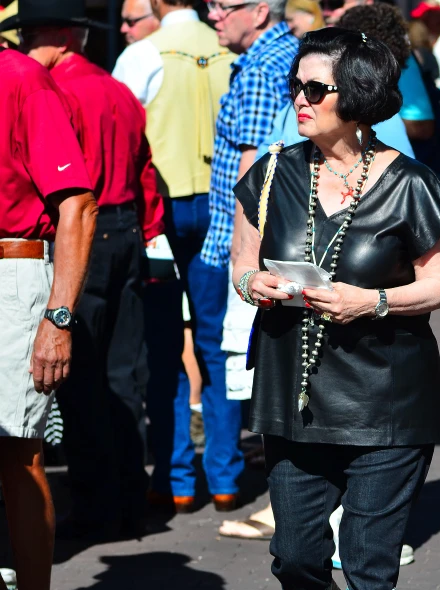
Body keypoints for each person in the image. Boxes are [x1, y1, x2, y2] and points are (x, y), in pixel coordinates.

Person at [233, 28, 440, 590]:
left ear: (356, 98)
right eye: (296, 87)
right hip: (294, 394)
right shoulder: (271, 174)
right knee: (295, 556)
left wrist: (376, 300)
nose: (297, 102)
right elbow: (243, 263)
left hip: (390, 399)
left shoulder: (411, 182)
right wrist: (254, 284)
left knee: (367, 558)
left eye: (314, 90)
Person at [9, 0, 165, 539]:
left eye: (29, 36)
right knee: (123, 372)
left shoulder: (54, 90)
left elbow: (68, 192)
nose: (24, 47)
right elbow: (146, 168)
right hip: (126, 229)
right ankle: (129, 495)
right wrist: (144, 230)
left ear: (55, 37)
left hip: (84, 235)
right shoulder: (117, 90)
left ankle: (98, 504)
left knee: (78, 378)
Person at [114, 0, 236, 514]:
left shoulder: (143, 54)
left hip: (161, 210)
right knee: (216, 342)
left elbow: (122, 133)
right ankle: (225, 476)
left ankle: (175, 476)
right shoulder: (228, 50)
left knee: (163, 349)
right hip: (221, 205)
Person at [0, 35, 97, 590]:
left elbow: (78, 206)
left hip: (12, 278)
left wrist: (58, 318)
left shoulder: (19, 78)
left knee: (15, 450)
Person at [196, 0, 298, 512]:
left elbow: (253, 175)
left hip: (246, 244)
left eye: (221, 5)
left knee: (230, 357)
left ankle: (231, 477)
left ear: (259, 11)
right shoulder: (283, 56)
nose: (212, 14)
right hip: (277, 242)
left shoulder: (261, 67)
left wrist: (236, 254)